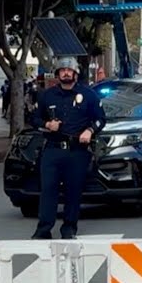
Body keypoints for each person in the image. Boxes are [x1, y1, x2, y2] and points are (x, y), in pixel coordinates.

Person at [31, 57, 106, 239]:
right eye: (62, 70)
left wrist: (90, 130)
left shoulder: (88, 95)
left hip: (76, 151)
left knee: (74, 190)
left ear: (75, 73)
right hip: (53, 149)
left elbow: (100, 118)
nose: (66, 73)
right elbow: (34, 119)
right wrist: (48, 124)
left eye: (69, 70)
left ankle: (69, 228)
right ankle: (43, 229)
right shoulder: (47, 95)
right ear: (57, 74)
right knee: (48, 189)